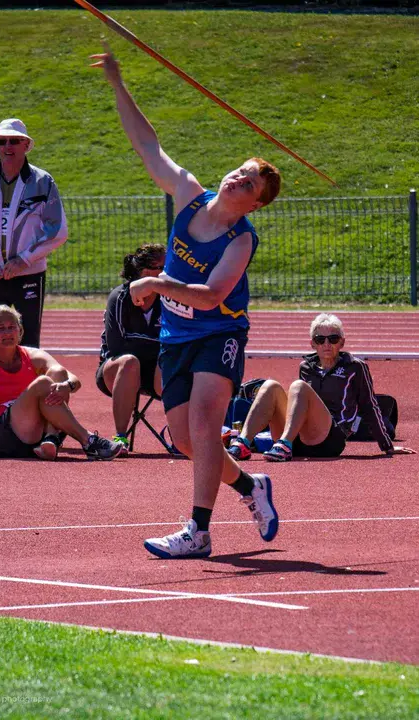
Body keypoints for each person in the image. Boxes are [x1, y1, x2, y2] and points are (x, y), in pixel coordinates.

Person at [90, 45, 281, 558]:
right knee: (192, 442)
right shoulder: (188, 195)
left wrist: (155, 286)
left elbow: (213, 293)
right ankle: (250, 487)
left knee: (202, 425)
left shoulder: (240, 240)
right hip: (175, 336)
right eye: (240, 170)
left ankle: (198, 531)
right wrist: (117, 85)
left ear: (256, 202)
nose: (238, 178)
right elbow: (149, 145)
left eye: (251, 182)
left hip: (218, 333)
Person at [0, 118, 68, 442]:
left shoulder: (43, 182)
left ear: (26, 145)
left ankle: (28, 415)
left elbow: (57, 231)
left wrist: (24, 259)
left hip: (28, 274)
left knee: (28, 347)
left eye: (14, 141)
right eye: (2, 142)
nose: (8, 147)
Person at [0, 305, 123, 462]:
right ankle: (88, 440)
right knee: (44, 382)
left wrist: (66, 386)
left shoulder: (32, 356)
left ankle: (50, 438)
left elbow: (73, 379)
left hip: (33, 435)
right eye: (0, 328)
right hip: (1, 437)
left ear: (20, 331)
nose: (7, 332)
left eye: (12, 327)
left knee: (57, 373)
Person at [227, 313, 415, 462]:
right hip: (300, 440)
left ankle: (284, 444)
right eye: (320, 339)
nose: (327, 344)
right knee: (270, 386)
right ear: (313, 344)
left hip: (330, 440)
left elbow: (369, 406)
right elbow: (298, 408)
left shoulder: (355, 367)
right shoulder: (306, 367)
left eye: (333, 339)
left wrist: (387, 446)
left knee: (298, 387)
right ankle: (243, 443)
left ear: (342, 342)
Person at [96, 243, 165, 456]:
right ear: (144, 273)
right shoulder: (120, 298)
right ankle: (120, 437)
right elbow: (117, 347)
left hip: (156, 372)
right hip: (117, 371)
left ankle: (185, 435)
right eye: (161, 267)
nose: (166, 273)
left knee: (172, 358)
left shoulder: (170, 298)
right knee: (129, 362)